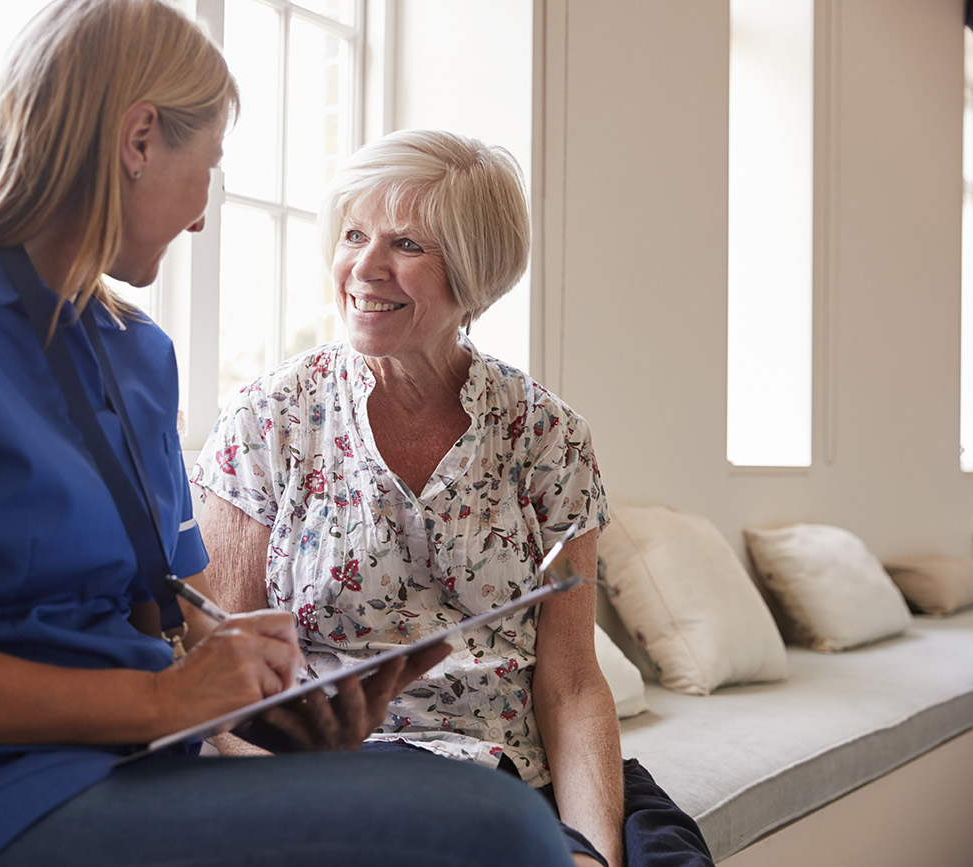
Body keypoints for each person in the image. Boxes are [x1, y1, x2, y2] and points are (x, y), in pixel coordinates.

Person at [0, 4, 579, 866]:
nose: (200, 217)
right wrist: (162, 704)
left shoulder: (137, 353)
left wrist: (285, 708)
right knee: (496, 829)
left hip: (137, 770)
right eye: (210, 168)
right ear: (140, 139)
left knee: (491, 812)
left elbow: (188, 619)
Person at [191, 129, 714, 867]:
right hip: (332, 783)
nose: (363, 268)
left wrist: (593, 853)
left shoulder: (548, 433)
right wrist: (307, 815)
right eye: (352, 234)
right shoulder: (269, 418)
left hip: (509, 778)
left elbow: (569, 681)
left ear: (473, 273)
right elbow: (227, 689)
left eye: (405, 243)